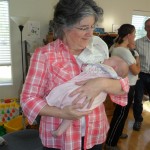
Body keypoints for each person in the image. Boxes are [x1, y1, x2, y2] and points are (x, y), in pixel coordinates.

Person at [20, 0, 129, 149]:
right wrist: (63, 113)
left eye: (92, 26)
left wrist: (101, 84)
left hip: (95, 132)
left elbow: (123, 85)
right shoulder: (45, 55)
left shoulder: (98, 50)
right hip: (60, 139)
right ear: (64, 27)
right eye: (84, 28)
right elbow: (28, 100)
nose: (90, 33)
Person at [46, 56, 129, 137]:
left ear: (113, 67)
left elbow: (87, 68)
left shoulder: (106, 69)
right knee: (72, 114)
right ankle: (60, 130)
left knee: (64, 94)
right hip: (88, 103)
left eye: (109, 59)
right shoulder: (115, 77)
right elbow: (124, 83)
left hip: (84, 95)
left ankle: (52, 102)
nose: (105, 58)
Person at [104, 24, 140, 150]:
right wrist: (136, 54)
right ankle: (110, 143)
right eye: (134, 34)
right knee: (121, 114)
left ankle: (116, 133)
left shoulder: (115, 46)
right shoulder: (125, 51)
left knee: (120, 113)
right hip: (127, 86)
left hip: (123, 85)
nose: (135, 36)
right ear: (129, 35)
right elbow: (136, 71)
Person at [133, 18, 150, 131]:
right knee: (138, 99)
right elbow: (134, 60)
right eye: (149, 26)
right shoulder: (138, 43)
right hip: (141, 75)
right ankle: (138, 120)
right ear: (145, 28)